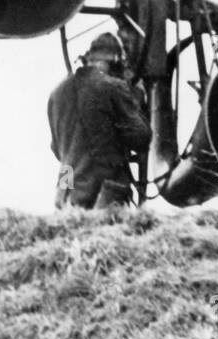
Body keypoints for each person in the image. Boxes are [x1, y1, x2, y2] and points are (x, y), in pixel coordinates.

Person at [48, 32, 152, 209]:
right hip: (100, 195)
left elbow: (57, 149)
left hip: (66, 188)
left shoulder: (57, 93)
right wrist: (137, 99)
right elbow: (141, 138)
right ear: (115, 61)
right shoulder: (112, 87)